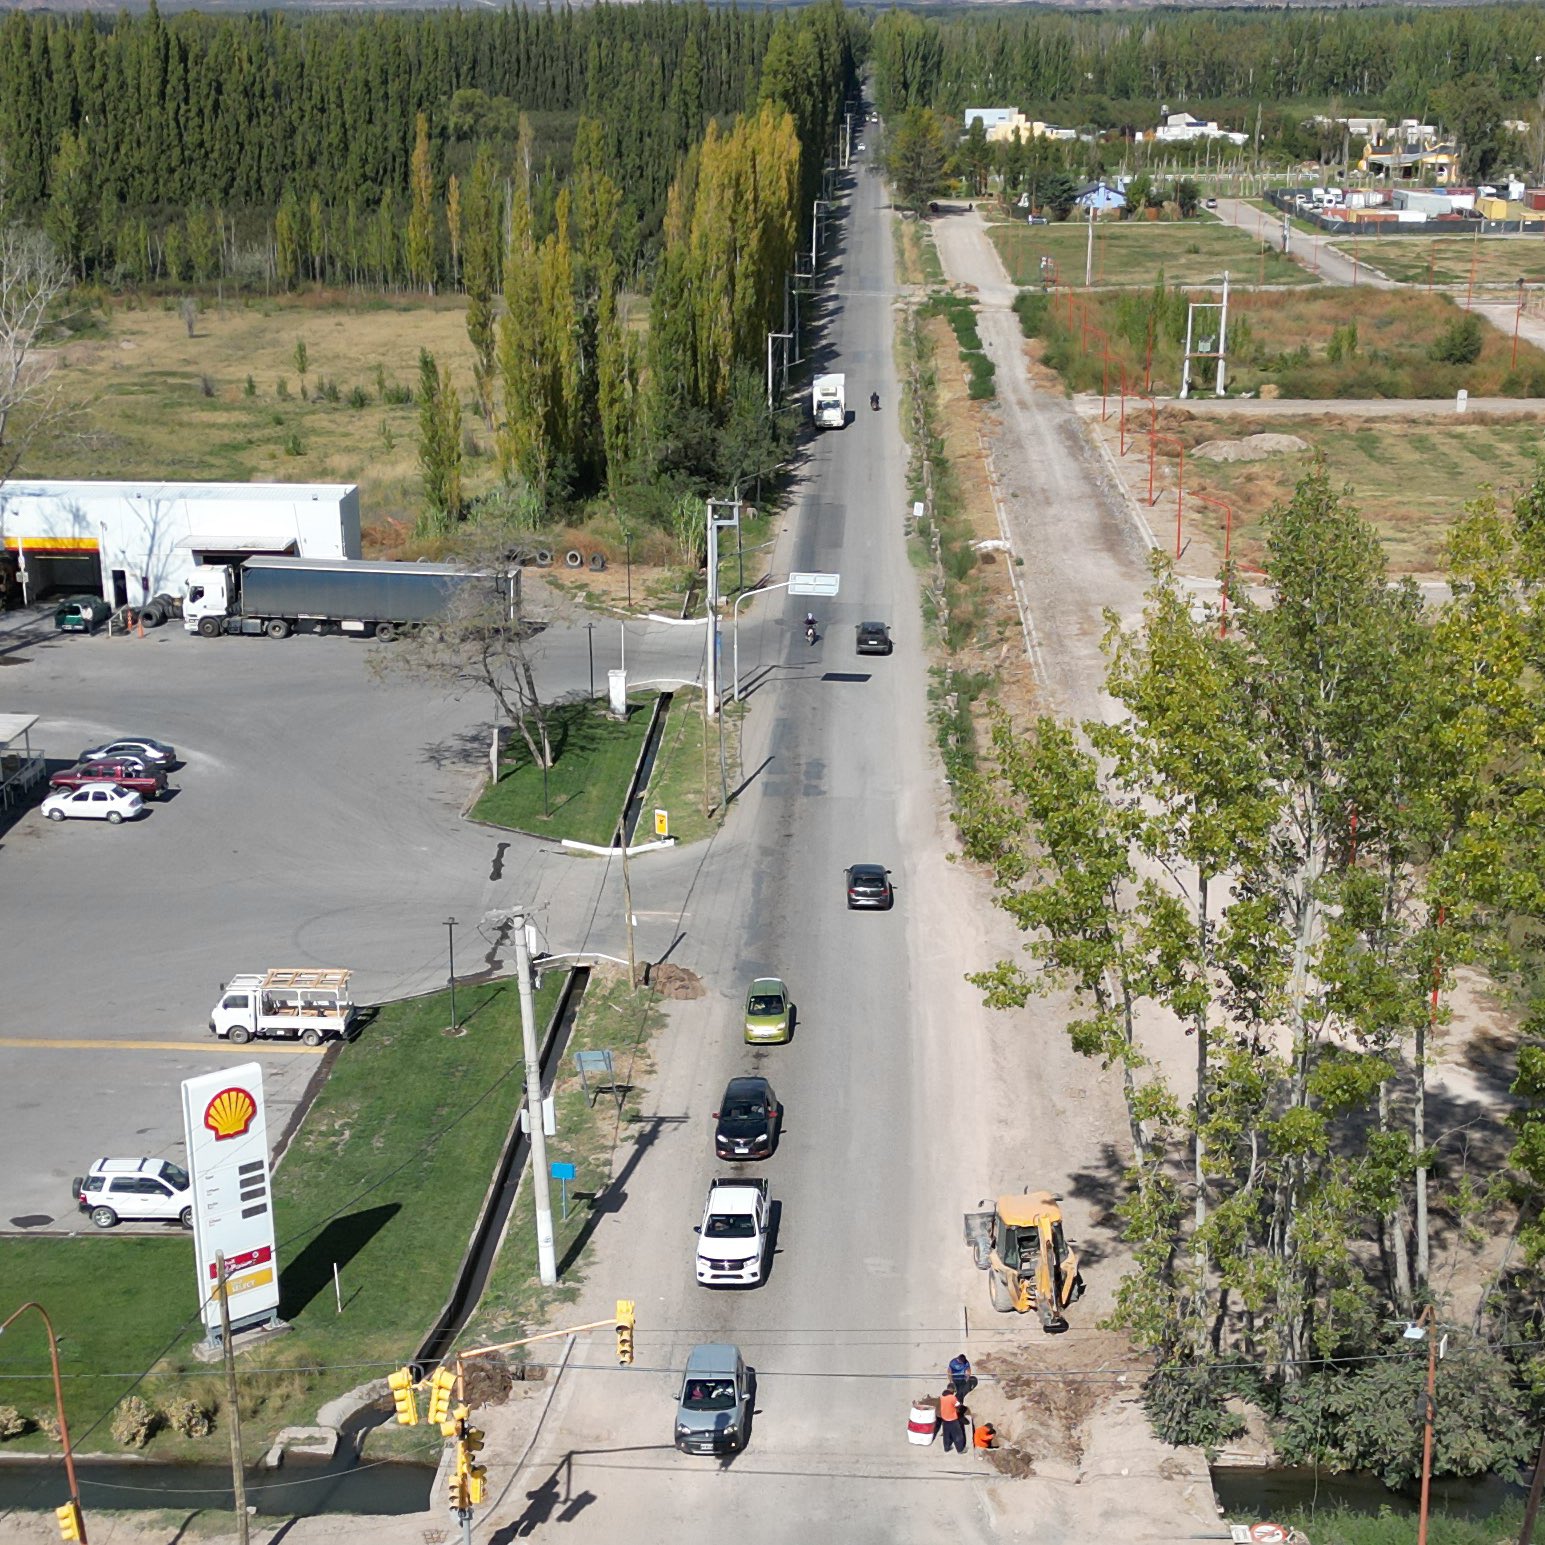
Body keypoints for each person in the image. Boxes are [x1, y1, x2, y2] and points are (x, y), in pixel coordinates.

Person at [939, 1388, 965, 1453]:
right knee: (958, 1435)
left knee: (946, 1435)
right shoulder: (952, 1397)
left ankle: (946, 1448)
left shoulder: (942, 1396)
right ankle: (960, 1450)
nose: (954, 1392)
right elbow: (958, 1405)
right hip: (952, 1419)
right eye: (954, 1390)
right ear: (952, 1390)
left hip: (944, 1419)